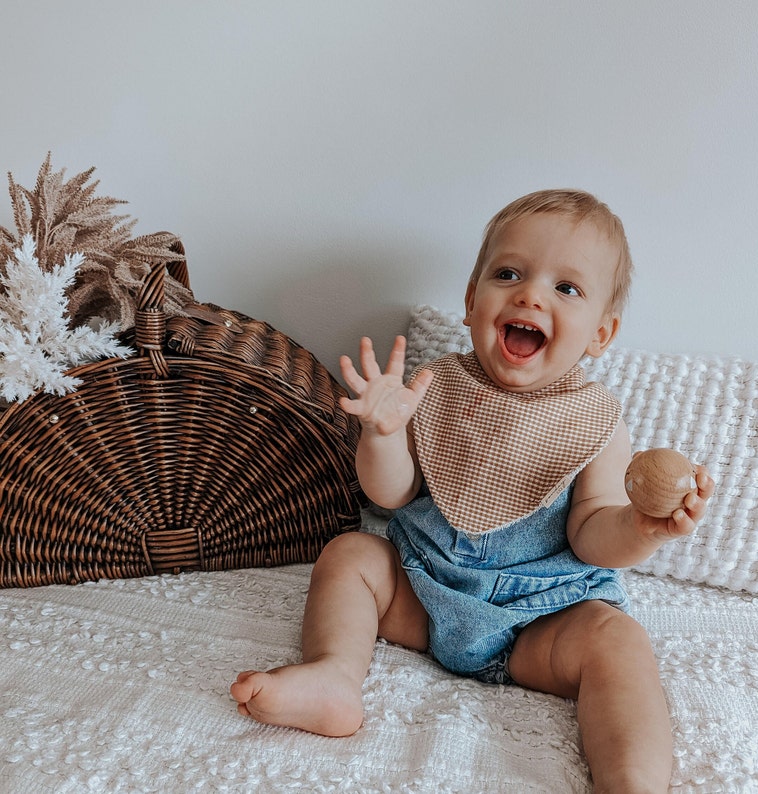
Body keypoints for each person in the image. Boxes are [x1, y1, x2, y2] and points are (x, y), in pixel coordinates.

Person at [231, 189, 714, 793]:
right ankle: (333, 676)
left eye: (567, 289)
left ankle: (631, 779)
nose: (530, 294)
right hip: (424, 593)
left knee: (617, 642)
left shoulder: (595, 420)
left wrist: (640, 530)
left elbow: (593, 533)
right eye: (508, 273)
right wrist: (383, 434)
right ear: (470, 299)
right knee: (350, 555)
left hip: (541, 621)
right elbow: (390, 497)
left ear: (601, 333)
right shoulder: (438, 388)